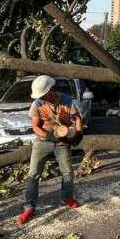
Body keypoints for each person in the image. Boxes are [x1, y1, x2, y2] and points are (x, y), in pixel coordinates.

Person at [18, 75, 83, 225]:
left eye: (43, 94)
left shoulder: (66, 100)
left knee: (67, 171)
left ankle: (67, 198)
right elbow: (35, 127)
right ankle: (29, 207)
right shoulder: (37, 104)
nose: (41, 97)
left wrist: (79, 134)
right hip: (42, 141)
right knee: (33, 173)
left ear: (51, 90)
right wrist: (49, 136)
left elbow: (77, 118)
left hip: (62, 142)